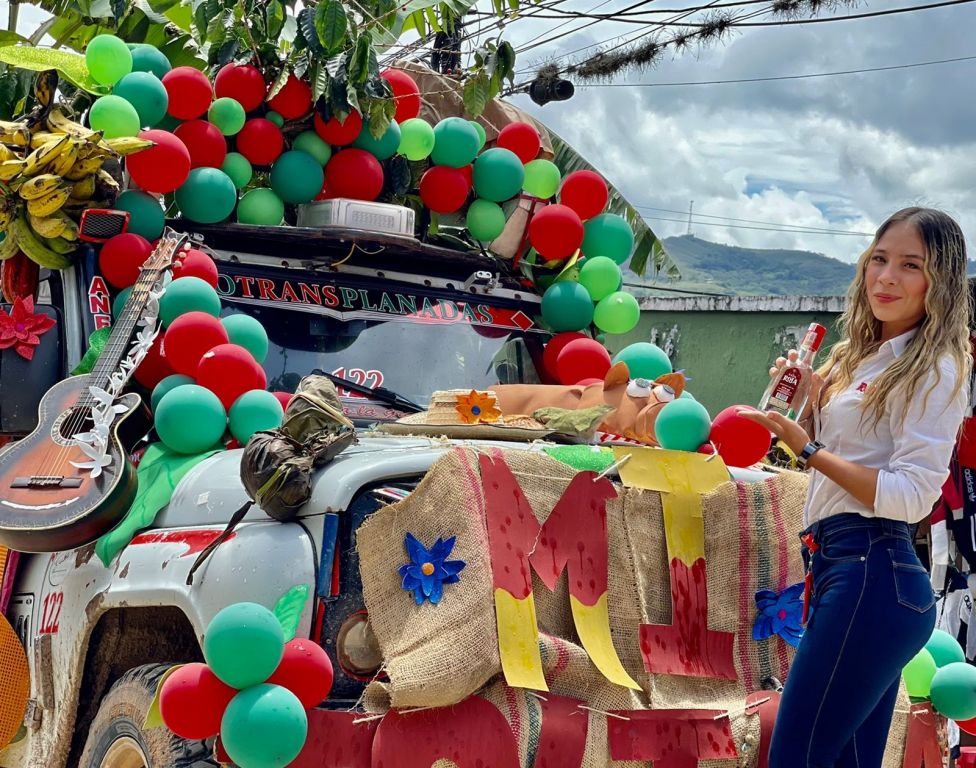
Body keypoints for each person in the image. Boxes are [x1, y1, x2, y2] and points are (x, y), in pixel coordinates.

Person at [738, 207, 973, 767]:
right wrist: (813, 405)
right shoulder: (870, 358)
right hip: (845, 571)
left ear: (937, 282)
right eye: (879, 259)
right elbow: (856, 458)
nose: (886, 277)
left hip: (873, 573)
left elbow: (913, 495)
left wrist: (809, 448)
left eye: (910, 265)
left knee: (794, 757)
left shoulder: (935, 368)